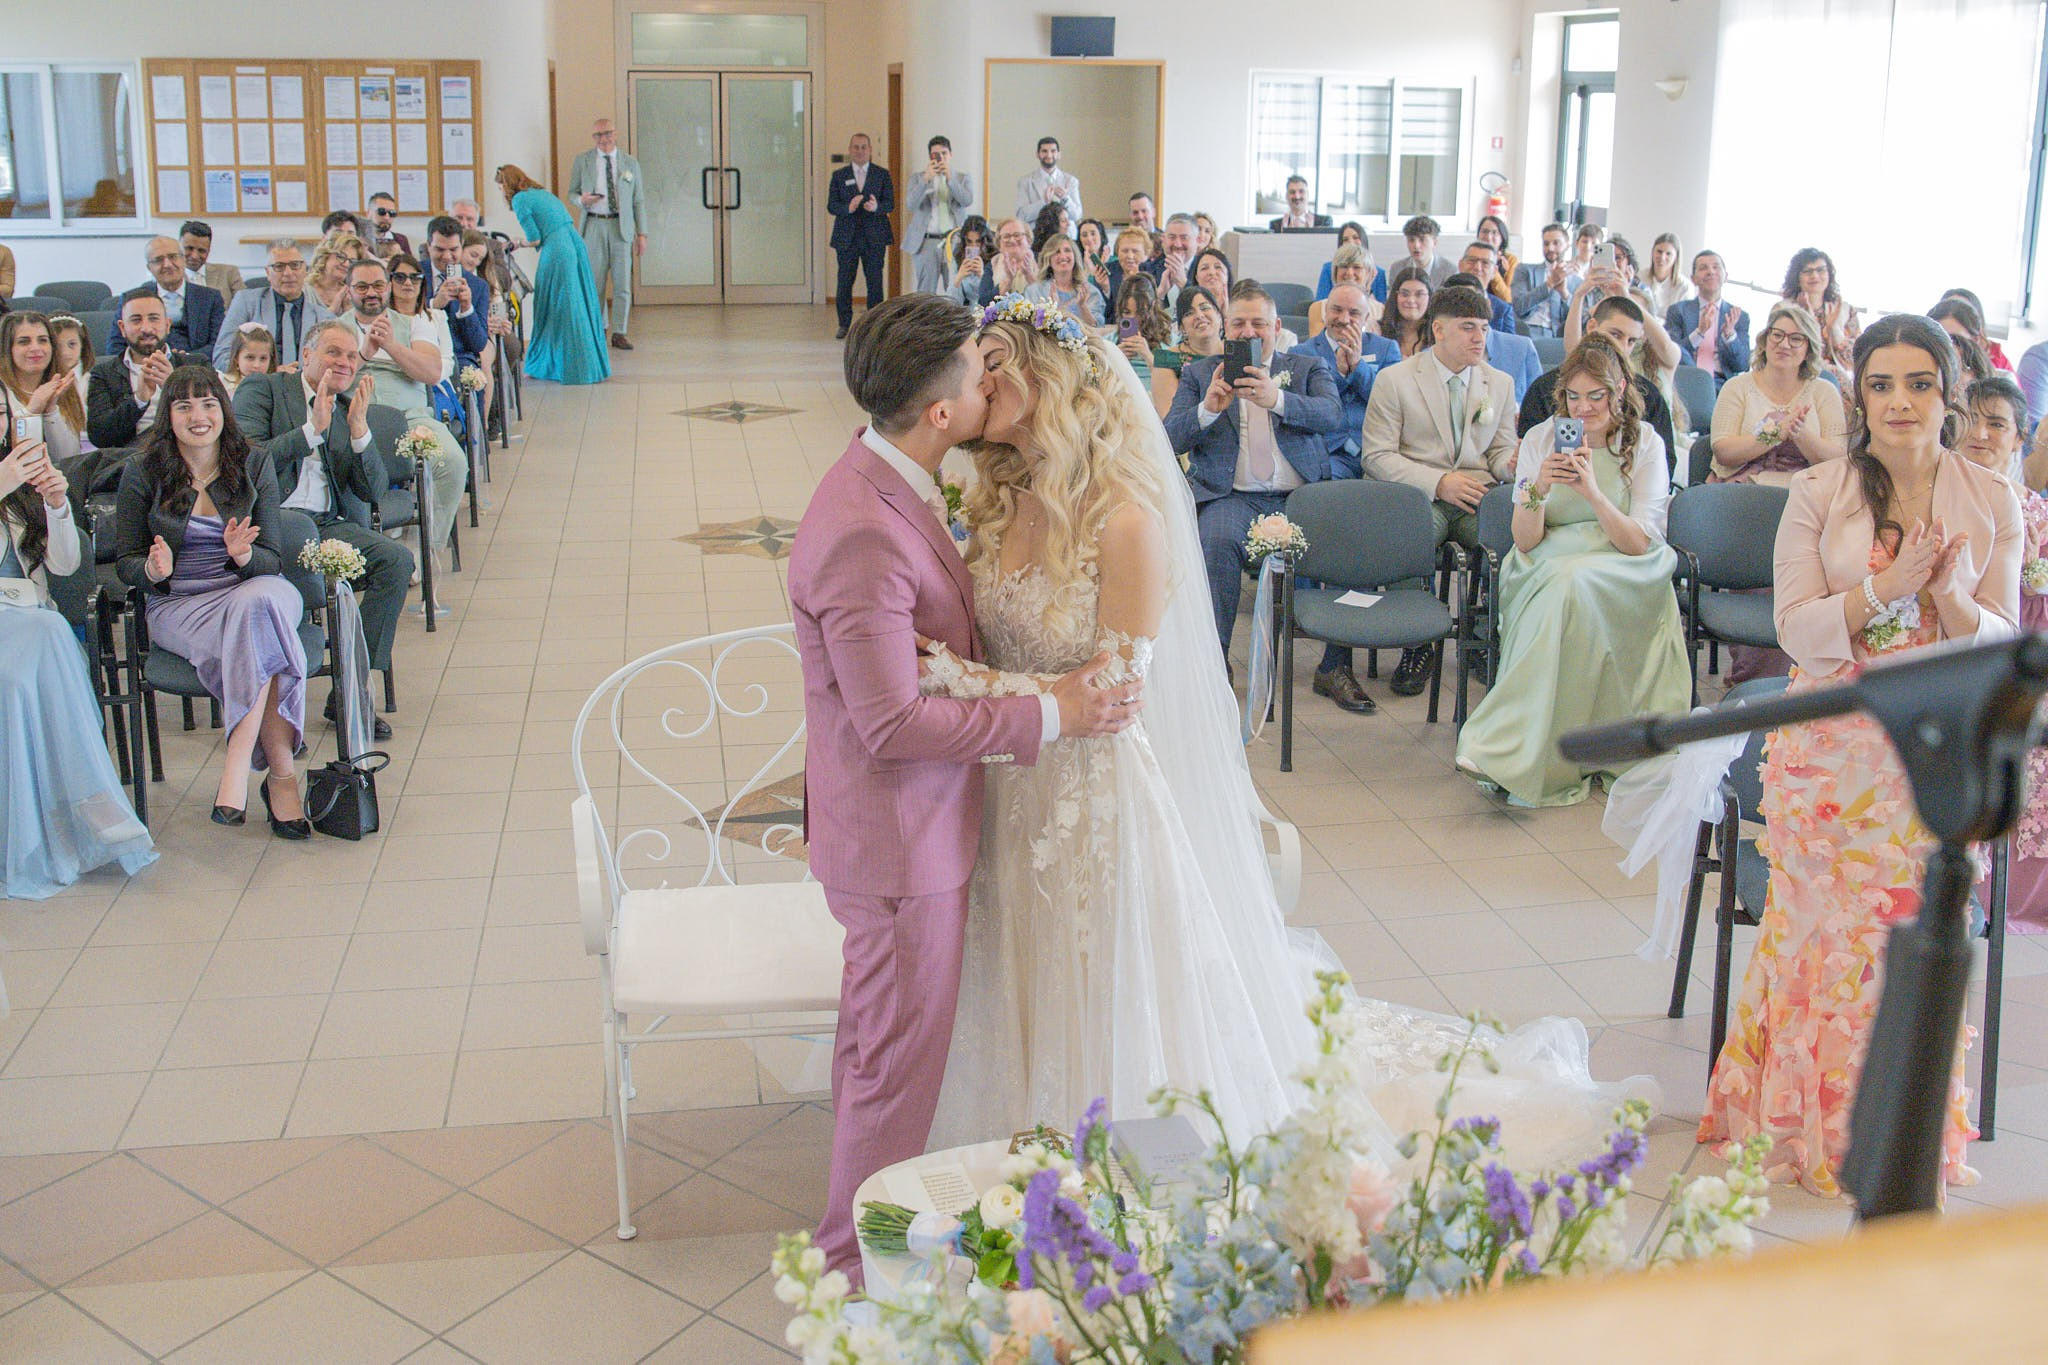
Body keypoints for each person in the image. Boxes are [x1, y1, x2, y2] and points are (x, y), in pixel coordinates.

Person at [915, 289, 1639, 1228]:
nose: (982, 381)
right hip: (1010, 779)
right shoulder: (992, 497)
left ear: (1055, 382)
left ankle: (1112, 1157)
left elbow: (1115, 693)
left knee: (1099, 971)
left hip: (1089, 791)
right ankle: (1017, 1137)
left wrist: (957, 683)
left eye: (1001, 363)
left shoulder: (1124, 522)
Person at [790, 292, 1139, 1283]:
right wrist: (1050, 712)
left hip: (926, 831)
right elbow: (890, 722)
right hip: (900, 846)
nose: (996, 386)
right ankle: (855, 1270)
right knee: (890, 1074)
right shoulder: (866, 525)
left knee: (887, 1060)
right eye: (981, 379)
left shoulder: (894, 480)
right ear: (940, 412)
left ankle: (876, 1249)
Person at [1699, 314, 2020, 1197]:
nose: (1901, 402)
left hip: (1934, 741)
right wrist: (1885, 587)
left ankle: (1900, 1132)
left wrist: (1948, 596)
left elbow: (2005, 639)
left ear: (1947, 394)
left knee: (1910, 940)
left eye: (1920, 383)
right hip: (1832, 736)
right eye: (1882, 385)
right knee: (1818, 941)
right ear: (1860, 394)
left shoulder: (1990, 495)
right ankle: (1805, 1124)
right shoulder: (1821, 490)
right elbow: (1794, 627)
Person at [1454, 334, 1688, 804]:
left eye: (1595, 396)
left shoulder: (1644, 442)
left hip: (1625, 562)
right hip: (1550, 556)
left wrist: (1592, 492)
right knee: (1562, 585)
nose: (1583, 409)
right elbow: (1525, 539)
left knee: (1572, 585)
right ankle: (1513, 743)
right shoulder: (1542, 437)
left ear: (1619, 390)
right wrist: (1538, 487)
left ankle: (1529, 742)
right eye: (1574, 397)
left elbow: (1641, 540)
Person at [115, 366, 312, 836]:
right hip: (179, 603)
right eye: (184, 406)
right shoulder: (142, 470)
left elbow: (271, 560)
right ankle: (282, 778)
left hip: (251, 587)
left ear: (223, 410)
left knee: (258, 603)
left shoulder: (254, 462)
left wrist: (243, 556)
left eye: (208, 404)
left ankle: (237, 762)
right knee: (259, 633)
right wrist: (151, 570)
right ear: (169, 415)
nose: (198, 416)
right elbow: (125, 559)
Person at [234, 318, 413, 728]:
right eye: (334, 352)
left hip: (326, 525)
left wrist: (359, 432)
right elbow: (245, 462)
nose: (345, 362)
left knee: (396, 560)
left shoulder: (348, 407)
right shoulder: (264, 390)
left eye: (352, 356)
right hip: (270, 524)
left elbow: (372, 491)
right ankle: (277, 707)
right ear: (306, 356)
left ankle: (350, 684)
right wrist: (309, 430)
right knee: (301, 543)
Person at [0, 430, 155, 896]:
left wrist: (56, 505)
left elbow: (66, 566)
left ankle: (73, 804)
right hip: (21, 628)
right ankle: (89, 802)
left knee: (50, 636)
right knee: (40, 651)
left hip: (28, 618)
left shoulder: (17, 482)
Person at [1164, 284, 1342, 655]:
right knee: (1215, 540)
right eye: (1239, 323)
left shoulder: (1307, 367)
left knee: (1340, 543)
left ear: (1277, 328)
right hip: (1232, 497)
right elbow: (1169, 439)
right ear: (1226, 329)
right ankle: (1216, 664)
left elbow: (1331, 415)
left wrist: (1276, 399)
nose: (1248, 332)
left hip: (1300, 496)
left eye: (1258, 323)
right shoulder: (1200, 375)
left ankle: (1335, 666)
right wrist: (1208, 410)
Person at [1361, 285, 1519, 695]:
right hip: (1419, 493)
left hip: (1475, 493)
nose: (1479, 338)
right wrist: (1438, 483)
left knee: (1509, 540)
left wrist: (1512, 463)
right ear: (1439, 330)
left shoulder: (1498, 383)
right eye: (1468, 328)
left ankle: (1485, 636)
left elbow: (1500, 450)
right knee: (1409, 536)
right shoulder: (1395, 379)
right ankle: (1418, 643)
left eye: (1484, 328)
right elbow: (1376, 456)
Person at [1958, 377, 2048, 929]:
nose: (1983, 434)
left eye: (1998, 424)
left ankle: (2023, 897)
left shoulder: (2036, 511)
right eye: (1973, 419)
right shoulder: (1941, 495)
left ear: (2019, 440)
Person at [1293, 283, 1403, 714]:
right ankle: (1335, 660)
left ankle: (1343, 654)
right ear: (1323, 312)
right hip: (1324, 461)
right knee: (1343, 523)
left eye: (1353, 313)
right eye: (1336, 310)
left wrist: (1358, 368)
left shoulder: (1387, 349)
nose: (1344, 319)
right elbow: (1311, 410)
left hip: (1376, 460)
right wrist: (1340, 379)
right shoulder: (1303, 351)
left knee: (1369, 528)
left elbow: (1392, 401)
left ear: (1369, 317)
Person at [334, 257, 469, 584]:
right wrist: (364, 353)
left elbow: (431, 372)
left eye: (378, 285)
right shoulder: (335, 329)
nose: (371, 293)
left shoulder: (414, 323)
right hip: (350, 421)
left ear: (388, 287)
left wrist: (391, 344)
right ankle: (352, 560)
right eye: (362, 286)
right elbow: (325, 381)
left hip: (410, 419)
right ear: (349, 290)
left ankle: (427, 549)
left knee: (452, 463)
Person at [1519, 295, 1678, 468]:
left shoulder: (1648, 395)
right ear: (1592, 327)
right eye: (1615, 334)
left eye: (1631, 341)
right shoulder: (1544, 389)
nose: (1623, 347)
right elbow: (1528, 468)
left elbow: (1665, 464)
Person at [497, 163, 612, 386]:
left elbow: (534, 238)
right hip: (574, 244)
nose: (501, 191)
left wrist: (516, 242)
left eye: (501, 186)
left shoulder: (520, 199)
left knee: (554, 306)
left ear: (507, 184)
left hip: (557, 250)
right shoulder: (540, 193)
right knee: (576, 304)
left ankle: (562, 366)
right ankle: (586, 365)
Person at [1708, 301, 1846, 484]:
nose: (1784, 344)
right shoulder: (1736, 387)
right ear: (1765, 342)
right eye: (1777, 335)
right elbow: (1723, 452)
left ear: (1809, 350)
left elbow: (1838, 460)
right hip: (1740, 493)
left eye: (1796, 339)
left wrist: (1799, 433)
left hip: (1806, 494)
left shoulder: (1824, 392)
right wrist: (1776, 433)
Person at [87, 294, 208, 450]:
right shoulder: (104, 373)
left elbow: (215, 418)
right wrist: (139, 400)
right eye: (136, 320)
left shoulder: (197, 365)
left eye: (154, 319)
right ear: (122, 328)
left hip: (189, 453)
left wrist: (175, 388)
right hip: (129, 462)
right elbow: (100, 437)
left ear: (167, 325)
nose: (146, 328)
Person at [565, 118, 646, 351]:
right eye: (598, 135)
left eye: (607, 134)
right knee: (595, 282)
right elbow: (572, 192)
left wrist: (642, 233)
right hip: (594, 225)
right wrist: (581, 200)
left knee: (622, 283)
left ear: (616, 134)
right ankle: (597, 328)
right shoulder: (584, 161)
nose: (604, 139)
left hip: (621, 226)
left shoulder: (630, 163)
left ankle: (619, 331)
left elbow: (638, 201)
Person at [214, 240, 332, 371]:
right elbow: (221, 357)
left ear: (305, 270)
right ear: (267, 273)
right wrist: (270, 375)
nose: (288, 273)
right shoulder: (246, 302)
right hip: (257, 386)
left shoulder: (323, 317)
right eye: (279, 266)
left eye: (295, 265)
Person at [827, 133, 893, 340]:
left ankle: (874, 326)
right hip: (847, 238)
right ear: (850, 150)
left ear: (870, 149)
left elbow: (890, 203)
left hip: (874, 238)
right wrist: (848, 207)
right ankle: (844, 324)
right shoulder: (839, 175)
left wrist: (876, 207)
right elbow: (831, 206)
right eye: (856, 147)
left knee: (875, 281)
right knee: (845, 281)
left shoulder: (882, 174)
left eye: (864, 147)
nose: (860, 151)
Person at [118, 237, 225, 360]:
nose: (167, 265)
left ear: (183, 260)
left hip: (196, 367)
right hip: (147, 366)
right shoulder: (131, 300)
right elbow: (116, 346)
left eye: (173, 257)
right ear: (149, 268)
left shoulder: (210, 298)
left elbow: (218, 343)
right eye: (158, 260)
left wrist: (186, 360)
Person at [0, 312, 85, 464]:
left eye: (43, 340)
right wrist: (31, 412)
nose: (36, 348)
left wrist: (50, 411)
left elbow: (69, 458)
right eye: (24, 342)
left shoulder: (62, 383)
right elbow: (14, 458)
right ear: (7, 349)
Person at [1444, 271, 1541, 401]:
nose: (1465, 311)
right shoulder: (1435, 355)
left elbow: (1541, 405)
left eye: (1472, 302)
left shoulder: (1522, 348)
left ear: (1488, 304)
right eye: (1457, 305)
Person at [900, 136, 973, 295]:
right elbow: (910, 205)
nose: (940, 158)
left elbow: (966, 200)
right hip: (926, 241)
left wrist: (950, 179)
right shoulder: (918, 178)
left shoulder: (962, 178)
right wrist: (926, 179)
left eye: (944, 153)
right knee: (925, 292)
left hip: (954, 241)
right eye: (936, 154)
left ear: (950, 155)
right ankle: (924, 320)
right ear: (930, 157)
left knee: (955, 288)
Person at [1664, 250, 1749, 388]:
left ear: (1726, 276)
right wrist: (1699, 332)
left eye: (1716, 267)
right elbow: (1670, 353)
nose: (1710, 272)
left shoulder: (1739, 316)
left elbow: (1742, 365)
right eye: (1703, 268)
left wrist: (1730, 335)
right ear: (1693, 279)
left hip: (1722, 385)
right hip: (1687, 381)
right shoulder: (1678, 311)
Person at [421, 217, 492, 378]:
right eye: (439, 249)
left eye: (453, 250)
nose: (447, 256)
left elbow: (479, 344)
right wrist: (433, 304)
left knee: (474, 378)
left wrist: (466, 309)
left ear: (461, 247)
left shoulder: (478, 286)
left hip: (458, 357)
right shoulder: (412, 274)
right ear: (428, 247)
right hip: (419, 353)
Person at [1781, 247, 1859, 383]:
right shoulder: (1784, 310)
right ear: (1797, 277)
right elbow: (1782, 353)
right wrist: (1806, 315)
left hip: (1840, 381)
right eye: (1807, 271)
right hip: (1798, 379)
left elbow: (1854, 359)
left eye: (1820, 270)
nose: (1815, 276)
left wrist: (1835, 330)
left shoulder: (1845, 311)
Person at [1512, 223, 1579, 338]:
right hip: (1526, 330)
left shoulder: (1576, 281)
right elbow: (1519, 307)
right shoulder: (1525, 270)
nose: (1550, 248)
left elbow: (1577, 319)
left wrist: (1565, 294)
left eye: (1556, 243)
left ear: (1567, 245)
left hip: (1556, 336)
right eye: (1546, 244)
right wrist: (1549, 284)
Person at [1022, 234, 1105, 326]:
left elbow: (1097, 328)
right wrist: (1052, 310)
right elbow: (1034, 326)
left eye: (1067, 250)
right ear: (1048, 259)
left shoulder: (1091, 292)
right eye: (1057, 252)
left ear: (1075, 256)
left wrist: (1083, 306)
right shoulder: (1034, 291)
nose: (1063, 255)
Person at [1110, 273, 1172, 388]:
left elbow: (1171, 381)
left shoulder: (1167, 338)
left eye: (1140, 313)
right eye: (1127, 312)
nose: (1134, 319)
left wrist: (1147, 355)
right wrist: (1115, 358)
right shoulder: (1110, 341)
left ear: (1152, 307)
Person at [1307, 243, 1381, 335]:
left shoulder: (1380, 311)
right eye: (1344, 266)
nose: (1349, 273)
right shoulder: (1318, 308)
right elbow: (1318, 347)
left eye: (1356, 267)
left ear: (1368, 273)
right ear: (1335, 271)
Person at [1153, 283, 1224, 377]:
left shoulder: (1237, 353)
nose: (1199, 315)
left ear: (1219, 316)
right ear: (1182, 328)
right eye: (1189, 313)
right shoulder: (1167, 359)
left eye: (1205, 308)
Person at [1927, 297, 2010, 375]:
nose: (1947, 348)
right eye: (1939, 340)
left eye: (1955, 340)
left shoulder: (2001, 383)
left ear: (1975, 340)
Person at [1015, 135, 1083, 224]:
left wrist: (1065, 198)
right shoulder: (1025, 182)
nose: (1049, 155)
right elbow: (1021, 216)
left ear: (1059, 154)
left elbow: (1077, 215)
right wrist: (1043, 202)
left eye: (1053, 151)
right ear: (1037, 154)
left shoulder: (1071, 181)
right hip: (1037, 234)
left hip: (1065, 235)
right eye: (1044, 151)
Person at [47, 314, 96, 429]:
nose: (65, 352)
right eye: (57, 346)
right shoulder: (42, 380)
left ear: (82, 345)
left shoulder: (93, 379)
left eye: (72, 344)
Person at [1456, 242, 1517, 333]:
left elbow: (1509, 345)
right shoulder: (1442, 300)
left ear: (1494, 271)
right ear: (1460, 265)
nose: (1477, 267)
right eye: (1472, 260)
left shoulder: (1503, 310)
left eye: (1485, 263)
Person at [179, 221, 244, 305]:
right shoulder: (170, 277)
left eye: (201, 250)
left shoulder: (229, 273)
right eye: (189, 248)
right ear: (178, 247)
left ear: (209, 250)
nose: (194, 256)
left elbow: (245, 308)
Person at [944, 216, 998, 309]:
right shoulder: (958, 255)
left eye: (978, 242)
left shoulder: (996, 256)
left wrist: (983, 276)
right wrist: (958, 278)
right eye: (969, 242)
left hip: (991, 312)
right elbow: (951, 303)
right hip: (967, 313)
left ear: (985, 240)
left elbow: (999, 298)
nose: (974, 246)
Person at [1379, 265, 1432, 358]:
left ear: (1430, 297)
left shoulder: (1438, 335)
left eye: (1419, 294)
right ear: (1395, 297)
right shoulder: (1378, 332)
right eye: (1405, 294)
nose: (1411, 300)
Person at [1314, 222, 1374, 302]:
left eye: (1355, 237)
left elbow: (1382, 307)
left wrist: (1368, 287)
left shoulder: (1378, 272)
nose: (1351, 242)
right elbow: (1321, 299)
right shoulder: (1328, 268)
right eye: (1345, 239)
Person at [218, 323, 274, 403]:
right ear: (236, 358)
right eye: (250, 357)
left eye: (263, 358)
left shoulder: (275, 388)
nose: (256, 365)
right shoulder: (224, 386)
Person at [1104, 226, 1160, 305]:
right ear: (1117, 252)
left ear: (1146, 254)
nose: (1130, 256)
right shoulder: (1107, 271)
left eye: (1135, 251)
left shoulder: (1154, 273)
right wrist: (1106, 289)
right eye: (1125, 251)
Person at [307, 235, 362, 315]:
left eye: (352, 261)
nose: (346, 264)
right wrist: (332, 310)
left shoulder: (351, 294)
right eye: (341, 257)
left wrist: (348, 313)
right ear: (325, 256)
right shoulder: (305, 290)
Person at [1640, 232, 1691, 316]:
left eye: (1668, 254)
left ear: (1676, 257)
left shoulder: (1685, 287)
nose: (1662, 257)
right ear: (1653, 252)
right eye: (1659, 252)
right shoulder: (1641, 277)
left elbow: (1681, 321)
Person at [1398, 215, 1454, 288]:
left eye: (1422, 240)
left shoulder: (1449, 270)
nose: (1416, 246)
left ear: (1434, 242)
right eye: (1411, 240)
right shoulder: (1398, 268)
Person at [1474, 215, 1518, 306]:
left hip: (1501, 311)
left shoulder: (1511, 261)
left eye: (1494, 233)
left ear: (1502, 237)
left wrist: (1492, 267)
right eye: (1484, 232)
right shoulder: (1472, 257)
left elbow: (1508, 298)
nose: (1489, 237)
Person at [366, 193, 412, 259]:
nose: (387, 217)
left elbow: (410, 267)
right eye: (381, 212)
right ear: (368, 213)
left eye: (392, 213)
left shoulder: (401, 240)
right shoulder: (360, 240)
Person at [1076, 218, 1113, 300]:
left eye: (1093, 234)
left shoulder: (1114, 261)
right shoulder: (1076, 264)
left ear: (1101, 236)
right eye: (1084, 235)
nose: (1089, 239)